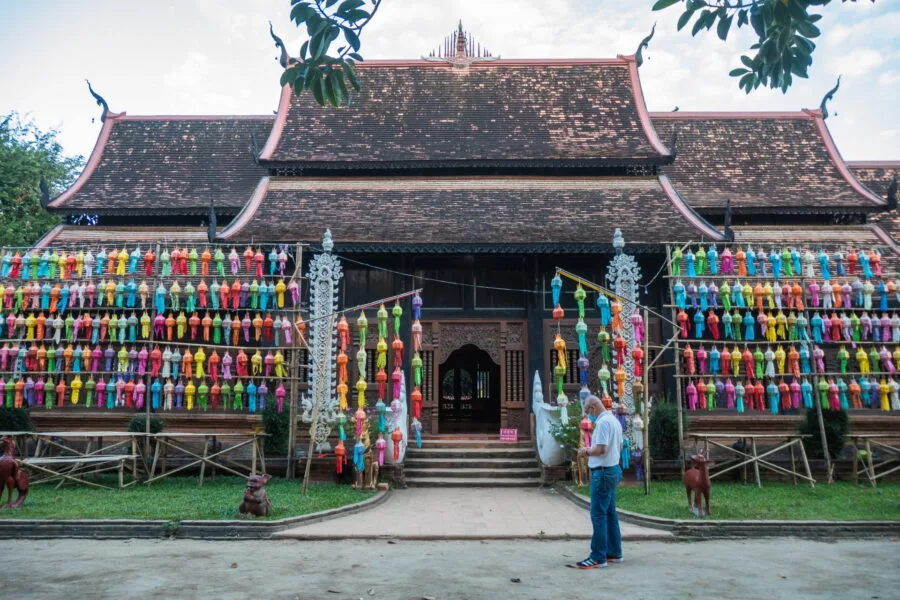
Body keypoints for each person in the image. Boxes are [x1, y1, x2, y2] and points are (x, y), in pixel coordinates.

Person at [575, 395, 624, 569]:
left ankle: (598, 556)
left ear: (593, 407)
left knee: (598, 514)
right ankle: (614, 551)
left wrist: (585, 451)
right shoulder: (615, 421)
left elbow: (601, 449)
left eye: (588, 411)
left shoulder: (603, 423)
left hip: (602, 472)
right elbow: (618, 446)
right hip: (613, 469)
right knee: (610, 513)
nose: (589, 416)